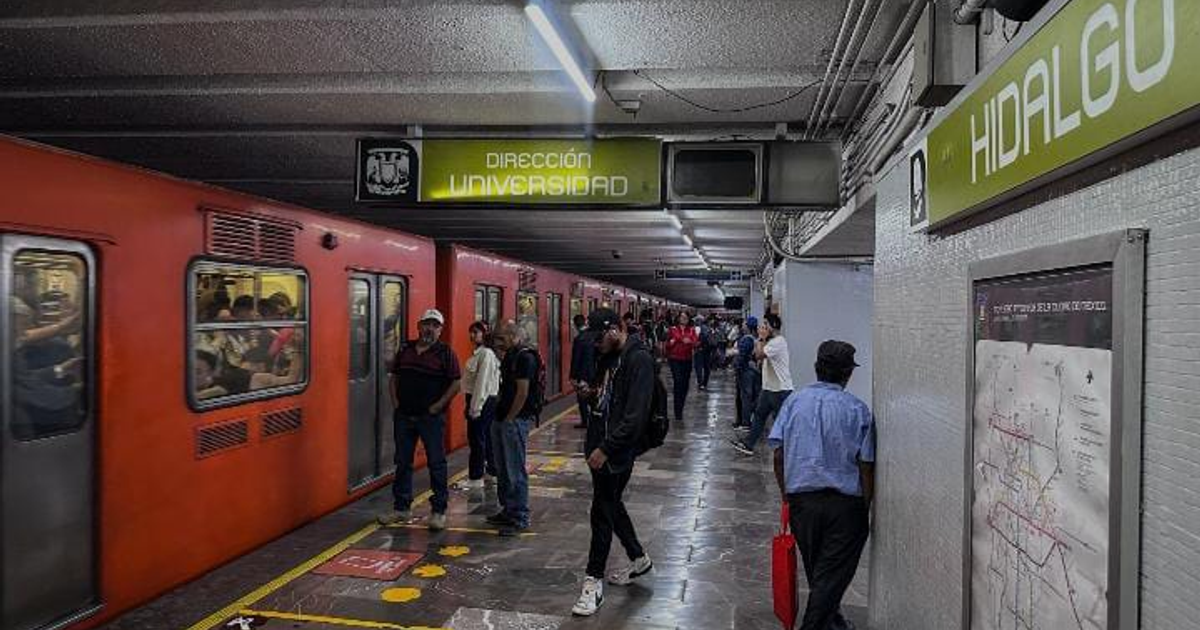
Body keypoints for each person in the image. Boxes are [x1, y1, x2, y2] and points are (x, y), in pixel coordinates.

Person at [770, 341, 874, 630]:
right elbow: (866, 464)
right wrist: (864, 505)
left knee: (820, 571)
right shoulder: (858, 410)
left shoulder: (793, 402)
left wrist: (787, 496)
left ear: (817, 368)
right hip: (844, 507)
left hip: (803, 503)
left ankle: (833, 621)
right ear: (848, 374)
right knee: (831, 574)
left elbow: (778, 456)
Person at [572, 309, 654, 617]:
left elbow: (635, 417)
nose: (596, 345)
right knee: (611, 505)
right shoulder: (608, 358)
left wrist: (606, 449)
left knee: (601, 511)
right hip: (600, 444)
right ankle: (639, 559)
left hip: (616, 452)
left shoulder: (639, 360)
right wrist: (591, 393)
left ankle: (593, 583)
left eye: (599, 339)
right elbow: (607, 397)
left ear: (615, 330)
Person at [379, 308, 460, 531]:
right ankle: (401, 508)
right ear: (419, 326)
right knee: (403, 462)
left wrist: (438, 406)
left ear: (440, 330)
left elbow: (456, 383)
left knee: (436, 462)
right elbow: (394, 377)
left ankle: (438, 511)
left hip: (430, 418)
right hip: (404, 416)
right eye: (427, 324)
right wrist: (395, 402)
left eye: (435, 325)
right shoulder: (405, 349)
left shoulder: (445, 353)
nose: (430, 329)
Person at [489, 320, 538, 536]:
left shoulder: (525, 358)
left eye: (501, 338)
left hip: (515, 420)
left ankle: (520, 516)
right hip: (502, 418)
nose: (498, 343)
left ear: (513, 336)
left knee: (514, 469)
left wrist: (510, 418)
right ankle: (508, 510)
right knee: (502, 467)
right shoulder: (511, 356)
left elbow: (522, 392)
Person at [731, 312, 792, 454]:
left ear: (773, 326)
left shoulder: (778, 342)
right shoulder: (771, 342)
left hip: (780, 390)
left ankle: (788, 450)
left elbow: (759, 355)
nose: (761, 328)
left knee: (781, 422)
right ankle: (748, 444)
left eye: (765, 325)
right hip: (769, 388)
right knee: (759, 416)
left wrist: (761, 339)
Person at [461, 320, 500, 490]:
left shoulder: (486, 354)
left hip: (481, 401)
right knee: (486, 438)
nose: (472, 335)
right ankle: (492, 471)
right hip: (485, 401)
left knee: (476, 439)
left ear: (485, 334)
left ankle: (475, 477)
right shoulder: (482, 353)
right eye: (471, 331)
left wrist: (475, 408)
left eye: (476, 332)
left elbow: (482, 384)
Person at [664, 312, 698, 422]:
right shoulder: (672, 329)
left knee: (685, 385)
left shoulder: (692, 330)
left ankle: (680, 406)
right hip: (675, 359)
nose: (684, 319)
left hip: (687, 360)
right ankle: (677, 411)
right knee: (678, 382)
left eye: (686, 317)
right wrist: (675, 341)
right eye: (682, 317)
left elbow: (695, 342)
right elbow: (667, 344)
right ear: (678, 318)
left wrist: (689, 341)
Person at [570, 313, 602, 430]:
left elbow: (576, 359)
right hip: (595, 372)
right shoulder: (595, 335)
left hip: (583, 374)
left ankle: (585, 421)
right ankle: (595, 418)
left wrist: (572, 376)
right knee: (593, 396)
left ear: (575, 325)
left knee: (582, 398)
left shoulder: (579, 339)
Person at [733, 316, 761, 429]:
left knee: (745, 397)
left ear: (748, 326)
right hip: (753, 371)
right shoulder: (756, 338)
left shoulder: (746, 339)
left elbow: (742, 356)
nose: (743, 325)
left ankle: (745, 422)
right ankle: (746, 420)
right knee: (751, 396)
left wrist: (737, 367)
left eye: (745, 323)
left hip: (745, 371)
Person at [693, 316, 711, 391]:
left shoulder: (697, 328)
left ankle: (700, 383)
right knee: (707, 367)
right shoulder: (708, 328)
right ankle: (705, 383)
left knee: (699, 367)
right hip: (707, 350)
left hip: (699, 349)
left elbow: (695, 340)